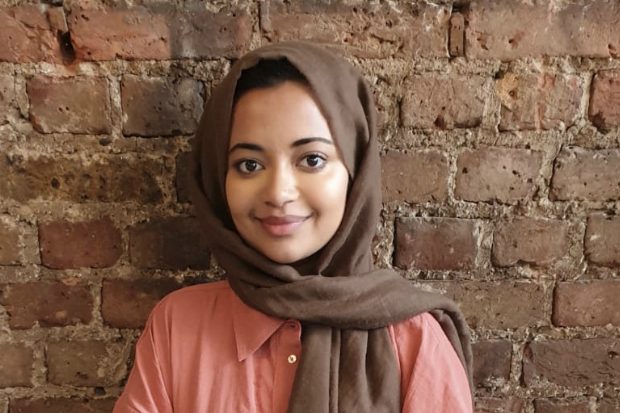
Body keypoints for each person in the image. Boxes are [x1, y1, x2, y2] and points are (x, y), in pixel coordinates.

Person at [113, 41, 473, 413]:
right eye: (249, 165)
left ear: (356, 173)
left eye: (311, 159)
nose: (278, 193)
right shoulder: (177, 328)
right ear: (218, 178)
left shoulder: (413, 341)